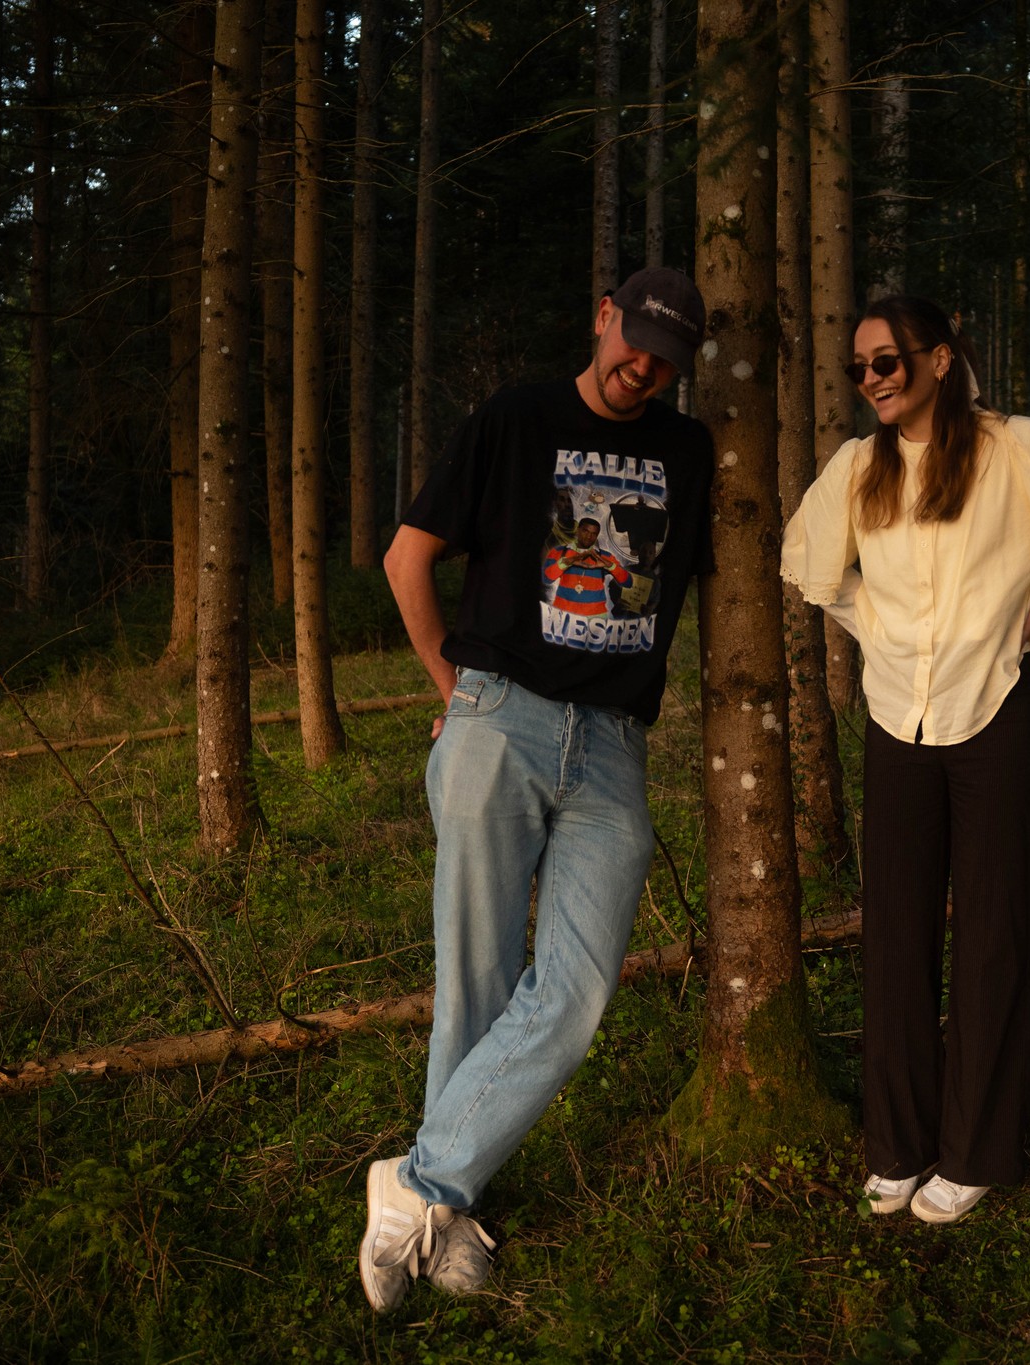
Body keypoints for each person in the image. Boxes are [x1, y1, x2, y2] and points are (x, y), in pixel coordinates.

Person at [362, 267, 712, 1310]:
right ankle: (446, 1218)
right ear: (601, 314)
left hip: (611, 746)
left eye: (665, 359)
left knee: (577, 987)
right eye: (633, 340)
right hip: (498, 714)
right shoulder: (518, 417)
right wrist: (452, 691)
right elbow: (405, 558)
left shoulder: (687, 453)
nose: (641, 367)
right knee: (474, 977)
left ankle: (414, 1184)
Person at [780, 295, 1030, 1225]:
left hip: (994, 715)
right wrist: (870, 622)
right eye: (861, 367)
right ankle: (900, 1144)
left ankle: (977, 1150)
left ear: (941, 359)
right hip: (894, 726)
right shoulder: (856, 467)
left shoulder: (1013, 448)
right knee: (897, 935)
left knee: (994, 935)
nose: (873, 380)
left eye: (889, 362)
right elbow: (805, 560)